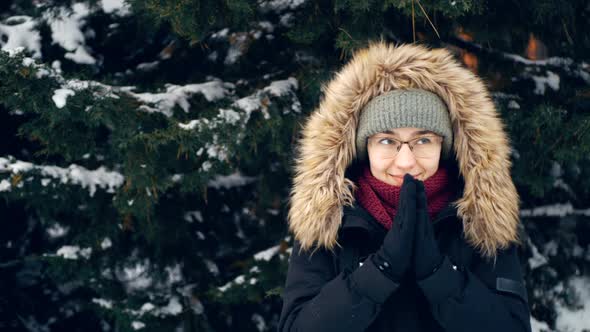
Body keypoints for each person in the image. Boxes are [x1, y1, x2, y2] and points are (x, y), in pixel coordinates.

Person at [278, 42, 532, 332]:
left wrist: (439, 274)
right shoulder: (329, 223)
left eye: (423, 140)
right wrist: (380, 270)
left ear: (444, 146)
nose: (406, 161)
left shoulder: (481, 222)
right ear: (365, 147)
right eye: (387, 141)